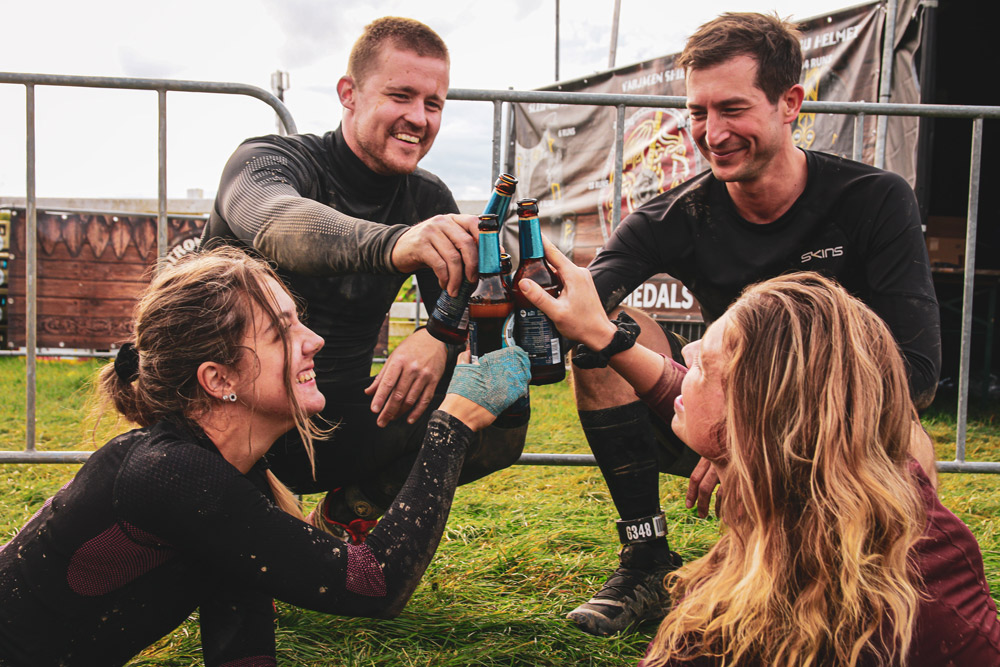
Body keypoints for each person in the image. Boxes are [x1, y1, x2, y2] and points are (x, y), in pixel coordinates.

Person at [562, 11, 943, 636]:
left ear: (790, 102)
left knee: (911, 437)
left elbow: (918, 375)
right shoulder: (676, 213)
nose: (712, 134)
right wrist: (492, 315)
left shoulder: (873, 199)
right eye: (697, 112)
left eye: (732, 109)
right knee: (602, 331)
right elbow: (586, 297)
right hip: (712, 415)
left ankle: (884, 580)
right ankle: (647, 560)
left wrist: (749, 432)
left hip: (835, 436)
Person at [0, 247, 531, 666]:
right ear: (219, 380)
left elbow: (241, 649)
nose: (315, 340)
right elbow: (375, 583)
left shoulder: (229, 483)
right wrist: (453, 423)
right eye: (283, 331)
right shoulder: (169, 474)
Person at [521, 246, 1000, 665]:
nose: (684, 360)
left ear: (757, 420)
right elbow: (688, 393)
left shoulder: (720, 632)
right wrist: (602, 334)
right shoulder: (914, 518)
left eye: (704, 367)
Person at [200, 16, 529, 542]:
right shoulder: (268, 160)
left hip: (333, 419)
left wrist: (438, 339)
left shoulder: (427, 198)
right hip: (222, 413)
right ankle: (241, 507)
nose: (418, 118)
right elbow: (279, 223)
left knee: (502, 398)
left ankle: (349, 512)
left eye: (433, 103)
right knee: (233, 568)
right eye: (400, 95)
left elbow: (472, 322)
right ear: (348, 94)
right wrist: (396, 244)